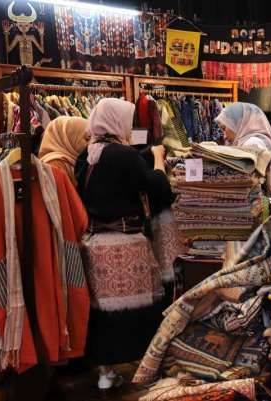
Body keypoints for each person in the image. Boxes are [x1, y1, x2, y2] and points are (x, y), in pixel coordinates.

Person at [74, 98, 174, 390]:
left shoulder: (85, 155)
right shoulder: (124, 155)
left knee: (104, 311)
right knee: (138, 311)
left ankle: (105, 373)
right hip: (127, 245)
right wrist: (157, 158)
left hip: (94, 245)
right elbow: (159, 188)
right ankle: (145, 368)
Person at [215, 102, 271, 199]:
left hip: (258, 207)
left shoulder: (252, 144)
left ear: (238, 124)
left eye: (224, 128)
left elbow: (247, 185)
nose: (224, 135)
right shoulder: (259, 140)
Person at [38, 116, 89, 186]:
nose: (89, 144)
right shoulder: (55, 165)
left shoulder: (72, 161)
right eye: (86, 139)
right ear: (68, 139)